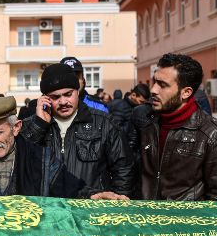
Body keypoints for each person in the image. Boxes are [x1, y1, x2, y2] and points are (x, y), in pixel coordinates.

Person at [21, 63, 134, 199]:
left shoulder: (104, 123)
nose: (63, 102)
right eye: (55, 97)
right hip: (49, 208)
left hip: (92, 207)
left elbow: (123, 169)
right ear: (45, 98)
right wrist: (39, 125)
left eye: (68, 94)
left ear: (77, 91)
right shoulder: (32, 125)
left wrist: (116, 204)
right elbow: (21, 164)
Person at [131, 53, 217, 200]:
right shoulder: (147, 122)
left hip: (187, 215)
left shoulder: (214, 134)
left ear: (186, 92)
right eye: (154, 82)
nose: (153, 90)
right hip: (143, 213)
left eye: (162, 85)